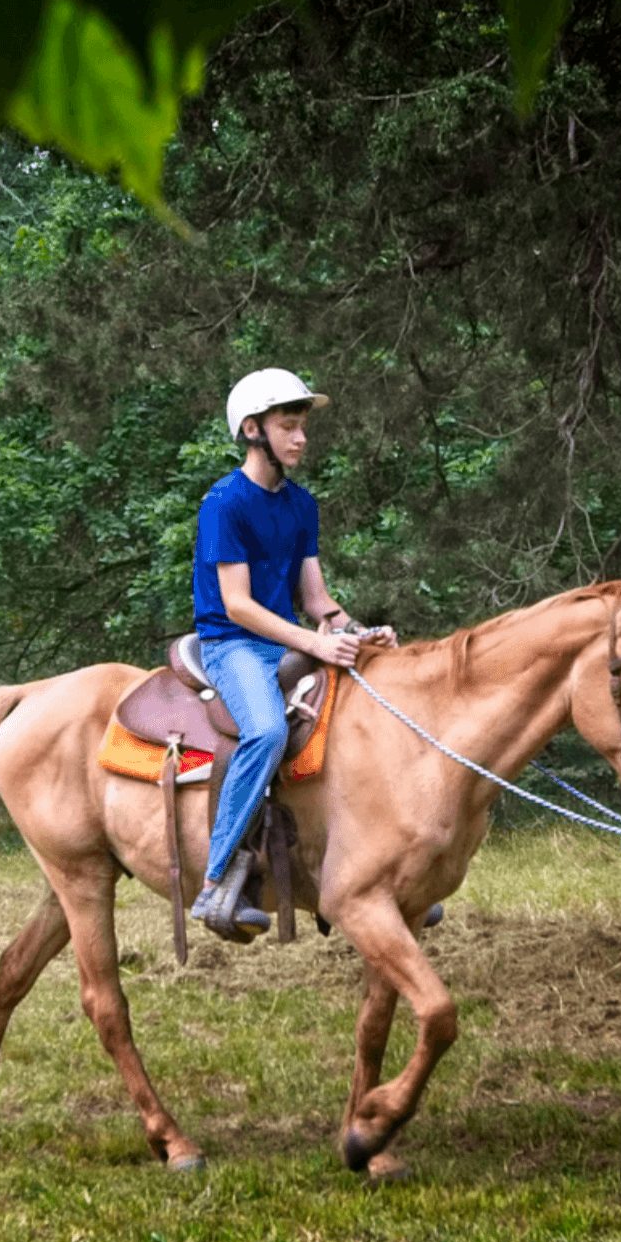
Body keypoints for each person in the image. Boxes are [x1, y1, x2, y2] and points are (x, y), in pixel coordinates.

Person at [187, 369, 398, 940]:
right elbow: (236, 605)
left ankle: (380, 873)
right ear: (253, 430)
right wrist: (314, 641)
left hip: (285, 640)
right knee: (267, 734)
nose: (301, 437)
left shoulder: (302, 505)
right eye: (289, 426)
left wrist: (359, 630)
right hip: (233, 644)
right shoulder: (224, 504)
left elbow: (316, 600)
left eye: (302, 426)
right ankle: (215, 883)